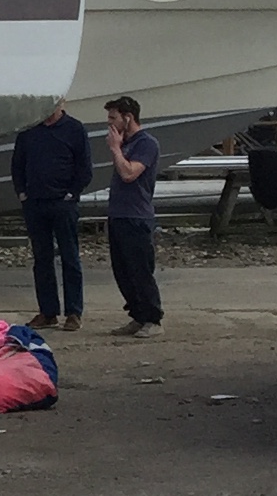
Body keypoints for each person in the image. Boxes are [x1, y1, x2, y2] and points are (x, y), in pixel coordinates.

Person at [9, 98, 91, 331]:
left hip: (63, 202)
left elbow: (84, 167)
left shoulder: (74, 129)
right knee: (42, 259)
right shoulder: (29, 131)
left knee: (70, 257)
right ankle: (48, 311)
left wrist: (72, 193)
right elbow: (18, 164)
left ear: (61, 103)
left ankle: (74, 312)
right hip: (35, 202)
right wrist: (22, 192)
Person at [105, 94, 163, 335]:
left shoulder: (145, 144)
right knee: (123, 270)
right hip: (118, 213)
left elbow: (130, 173)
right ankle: (137, 314)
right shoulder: (127, 143)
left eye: (113, 118)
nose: (109, 123)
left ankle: (153, 317)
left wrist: (116, 149)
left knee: (140, 269)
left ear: (127, 119)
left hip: (136, 215)